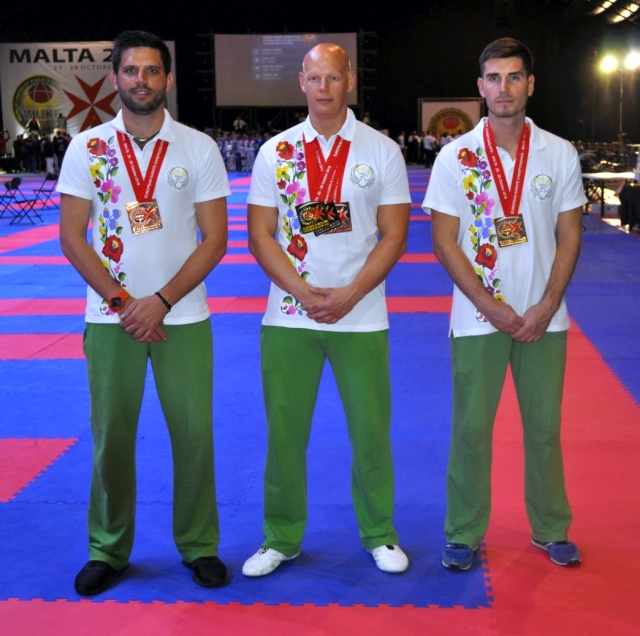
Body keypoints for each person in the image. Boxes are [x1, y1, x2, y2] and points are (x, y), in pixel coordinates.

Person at [58, 30, 230, 595]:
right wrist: (122, 302)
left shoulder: (199, 148)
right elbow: (72, 237)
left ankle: (200, 544)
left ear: (168, 79)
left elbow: (214, 240)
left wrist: (159, 301)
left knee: (194, 437)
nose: (141, 80)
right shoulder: (87, 148)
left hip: (182, 316)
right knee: (110, 437)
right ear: (115, 79)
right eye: (131, 70)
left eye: (152, 71)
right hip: (110, 320)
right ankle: (108, 547)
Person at [243, 43, 411, 577]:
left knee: (370, 431)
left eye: (332, 78)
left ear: (349, 81)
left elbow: (394, 234)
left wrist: (350, 293)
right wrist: (301, 291)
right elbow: (260, 234)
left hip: (361, 315)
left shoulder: (381, 151)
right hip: (289, 317)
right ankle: (281, 536)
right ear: (301, 82)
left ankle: (380, 532)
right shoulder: (276, 151)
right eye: (314, 78)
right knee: (285, 433)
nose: (323, 88)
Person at [423, 37, 586, 572]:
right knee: (471, 429)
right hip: (477, 317)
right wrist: (488, 305)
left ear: (530, 84)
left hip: (545, 317)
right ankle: (464, 531)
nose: (503, 88)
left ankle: (550, 528)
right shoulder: (457, 155)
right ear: (479, 87)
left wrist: (546, 304)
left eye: (514, 77)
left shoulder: (558, 152)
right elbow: (444, 241)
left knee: (543, 429)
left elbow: (569, 235)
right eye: (493, 78)